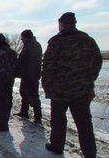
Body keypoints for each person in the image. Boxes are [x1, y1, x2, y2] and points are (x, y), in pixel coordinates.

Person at [42, 12, 102, 158]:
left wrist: (47, 86)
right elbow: (97, 61)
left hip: (60, 90)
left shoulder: (56, 41)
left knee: (58, 120)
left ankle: (57, 146)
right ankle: (90, 153)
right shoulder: (87, 40)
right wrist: (88, 80)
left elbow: (48, 66)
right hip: (82, 90)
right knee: (84, 124)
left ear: (61, 24)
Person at [14, 29, 43, 124]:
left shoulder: (34, 46)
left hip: (31, 76)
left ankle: (38, 117)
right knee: (23, 92)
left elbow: (33, 63)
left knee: (33, 95)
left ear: (27, 37)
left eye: (22, 38)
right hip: (25, 75)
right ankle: (24, 112)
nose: (21, 39)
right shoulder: (28, 45)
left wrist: (31, 76)